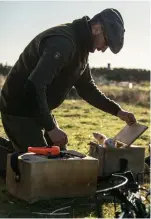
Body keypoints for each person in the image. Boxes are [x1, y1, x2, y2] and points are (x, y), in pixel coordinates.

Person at [0, 8, 136, 153]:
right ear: (97, 28)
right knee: (39, 163)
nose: (103, 49)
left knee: (61, 155)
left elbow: (87, 89)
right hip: (19, 109)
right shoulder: (64, 42)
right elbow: (35, 86)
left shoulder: (81, 49)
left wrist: (118, 111)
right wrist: (51, 128)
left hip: (37, 109)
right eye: (106, 42)